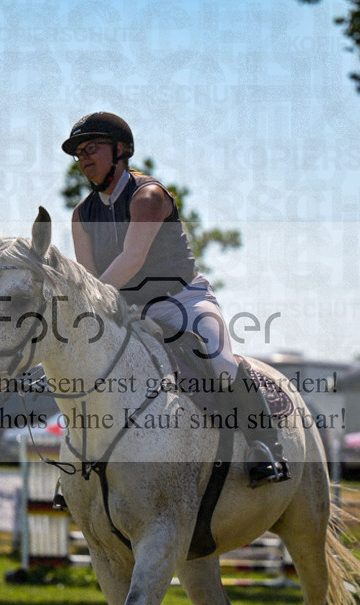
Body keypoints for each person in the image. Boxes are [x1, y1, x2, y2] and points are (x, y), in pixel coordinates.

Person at [62, 112, 288, 487]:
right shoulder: (81, 215)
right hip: (127, 309)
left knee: (221, 363)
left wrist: (89, 303)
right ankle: (76, 469)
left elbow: (132, 260)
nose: (84, 157)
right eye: (79, 152)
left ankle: (264, 447)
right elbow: (89, 276)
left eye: (93, 148)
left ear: (121, 151)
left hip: (182, 301)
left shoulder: (148, 196)